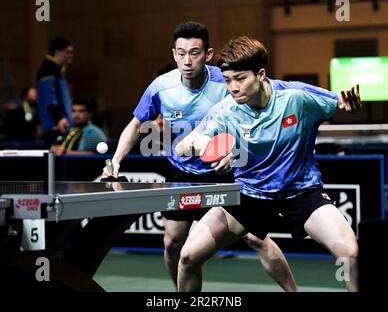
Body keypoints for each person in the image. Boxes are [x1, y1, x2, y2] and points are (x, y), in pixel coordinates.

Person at [102, 22, 340, 292]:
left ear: (208, 54)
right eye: (181, 53)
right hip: (181, 173)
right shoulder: (161, 87)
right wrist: (117, 160)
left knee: (257, 239)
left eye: (194, 53)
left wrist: (235, 152)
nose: (187, 60)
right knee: (173, 242)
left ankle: (293, 291)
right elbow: (136, 125)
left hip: (224, 171)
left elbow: (267, 104)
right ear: (173, 54)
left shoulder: (228, 79)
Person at [175, 36, 361, 292]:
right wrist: (206, 146)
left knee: (350, 253)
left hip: (301, 193)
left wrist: (348, 104)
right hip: (250, 194)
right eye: (228, 80)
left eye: (240, 79)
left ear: (261, 74)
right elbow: (183, 146)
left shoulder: (296, 97)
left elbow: (339, 102)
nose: (233, 88)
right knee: (188, 257)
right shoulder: (226, 110)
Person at [36, 36, 74, 147]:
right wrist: (60, 119)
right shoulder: (48, 70)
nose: (71, 55)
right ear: (57, 52)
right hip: (55, 127)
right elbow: (50, 100)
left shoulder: (57, 70)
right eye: (68, 52)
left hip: (60, 125)